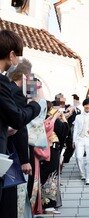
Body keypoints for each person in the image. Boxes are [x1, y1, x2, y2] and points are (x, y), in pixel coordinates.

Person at [0, 30, 40, 218]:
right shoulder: (6, 84)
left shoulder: (9, 84)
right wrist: (35, 104)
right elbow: (18, 121)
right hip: (12, 152)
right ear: (12, 55)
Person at [63, 94, 81, 164]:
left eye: (77, 100)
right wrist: (70, 111)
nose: (76, 102)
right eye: (74, 100)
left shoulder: (79, 110)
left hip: (75, 130)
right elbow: (63, 116)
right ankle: (64, 161)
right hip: (69, 129)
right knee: (70, 146)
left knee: (72, 147)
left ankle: (65, 160)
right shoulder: (67, 107)